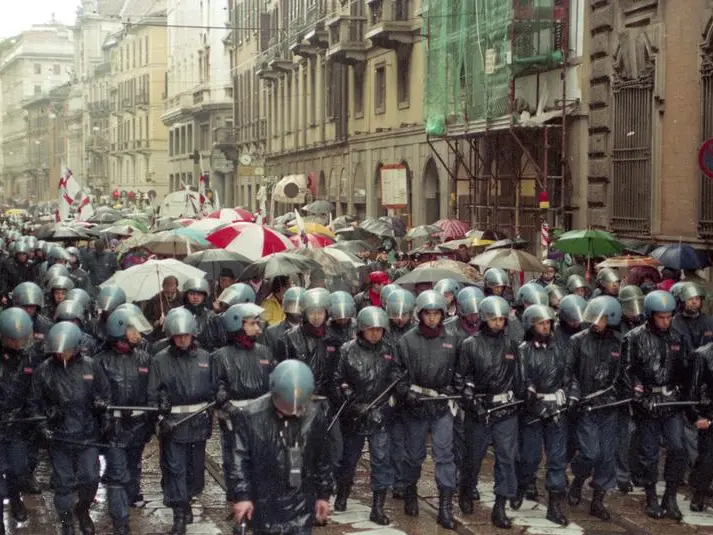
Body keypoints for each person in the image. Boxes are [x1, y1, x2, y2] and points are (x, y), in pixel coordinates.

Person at [230, 360, 332, 535]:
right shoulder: (251, 416)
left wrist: (323, 495)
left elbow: (322, 456)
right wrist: (242, 496)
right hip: (265, 501)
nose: (294, 412)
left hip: (301, 500)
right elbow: (239, 458)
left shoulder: (314, 415)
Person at [30, 321, 111, 535]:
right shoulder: (43, 371)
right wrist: (43, 424)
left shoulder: (91, 366)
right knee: (63, 482)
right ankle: (66, 521)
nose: (62, 354)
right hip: (59, 436)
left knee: (90, 477)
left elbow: (104, 393)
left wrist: (102, 408)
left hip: (87, 433)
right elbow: (34, 403)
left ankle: (83, 510)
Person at [394, 290, 459, 529]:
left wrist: (453, 387)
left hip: (441, 405)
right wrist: (406, 392)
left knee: (444, 455)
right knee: (413, 455)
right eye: (427, 313)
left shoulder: (452, 339)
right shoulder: (407, 341)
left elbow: (459, 370)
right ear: (420, 314)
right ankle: (410, 489)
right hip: (417, 406)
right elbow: (397, 374)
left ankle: (445, 507)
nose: (432, 318)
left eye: (436, 313)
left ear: (442, 314)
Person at [147, 308, 215, 535]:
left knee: (195, 471)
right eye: (178, 336)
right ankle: (179, 514)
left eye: (186, 335)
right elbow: (152, 393)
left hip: (198, 422)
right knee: (175, 469)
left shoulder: (205, 357)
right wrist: (160, 416)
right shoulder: (160, 360)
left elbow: (213, 387)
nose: (182, 339)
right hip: (173, 423)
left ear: (193, 334)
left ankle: (187, 501)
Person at [456, 295, 521, 528]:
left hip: (505, 409)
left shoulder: (512, 345)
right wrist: (471, 399)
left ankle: (500, 505)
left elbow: (518, 377)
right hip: (479, 409)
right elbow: (460, 377)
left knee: (506, 457)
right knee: (474, 456)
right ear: (484, 318)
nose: (498, 323)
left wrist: (523, 395)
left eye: (501, 319)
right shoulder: (470, 345)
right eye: (494, 319)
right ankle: (466, 488)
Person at [624, 290, 689, 520]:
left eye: (669, 317)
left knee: (678, 448)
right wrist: (638, 397)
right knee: (649, 452)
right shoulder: (634, 337)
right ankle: (651, 496)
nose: (665, 321)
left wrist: (681, 392)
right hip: (647, 401)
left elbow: (684, 369)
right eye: (661, 317)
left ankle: (670, 496)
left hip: (671, 400)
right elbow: (627, 371)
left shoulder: (677, 337)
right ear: (651, 315)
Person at [332, 306, 398, 525]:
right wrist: (351, 401)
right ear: (362, 329)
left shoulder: (389, 349)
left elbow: (395, 378)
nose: (375, 333)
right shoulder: (347, 350)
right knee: (349, 459)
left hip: (380, 414)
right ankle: (342, 493)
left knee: (381, 460)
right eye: (371, 329)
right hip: (355, 415)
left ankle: (378, 507)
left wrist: (384, 407)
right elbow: (338, 379)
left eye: (379, 329)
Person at [513, 304, 576, 526]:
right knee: (530, 457)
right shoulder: (523, 350)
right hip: (532, 411)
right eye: (541, 323)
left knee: (557, 459)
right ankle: (521, 485)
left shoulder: (560, 349)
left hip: (556, 409)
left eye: (548, 322)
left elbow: (569, 376)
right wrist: (531, 397)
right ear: (531, 325)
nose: (545, 327)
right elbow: (522, 380)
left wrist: (570, 394)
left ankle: (554, 506)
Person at [95, 307, 154, 535]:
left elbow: (152, 390)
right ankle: (120, 522)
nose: (138, 334)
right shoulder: (101, 361)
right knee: (117, 473)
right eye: (133, 329)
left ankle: (128, 504)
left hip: (138, 425)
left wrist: (151, 418)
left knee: (133, 468)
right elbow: (97, 393)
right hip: (115, 426)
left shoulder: (144, 358)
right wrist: (105, 413)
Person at [567, 296, 624, 521]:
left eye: (601, 319)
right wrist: (574, 394)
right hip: (586, 405)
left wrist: (629, 390)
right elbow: (570, 371)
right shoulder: (578, 341)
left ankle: (599, 498)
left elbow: (624, 374)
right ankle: (579, 479)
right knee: (590, 452)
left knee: (607, 456)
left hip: (609, 407)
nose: (596, 322)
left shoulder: (619, 343)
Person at [212, 303, 275, 499]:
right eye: (252, 323)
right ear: (237, 324)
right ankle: (239, 499)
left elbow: (273, 379)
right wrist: (227, 406)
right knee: (235, 459)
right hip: (234, 415)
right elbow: (217, 385)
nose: (258, 328)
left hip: (261, 413)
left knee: (262, 458)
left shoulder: (264, 352)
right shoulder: (220, 356)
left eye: (258, 323)